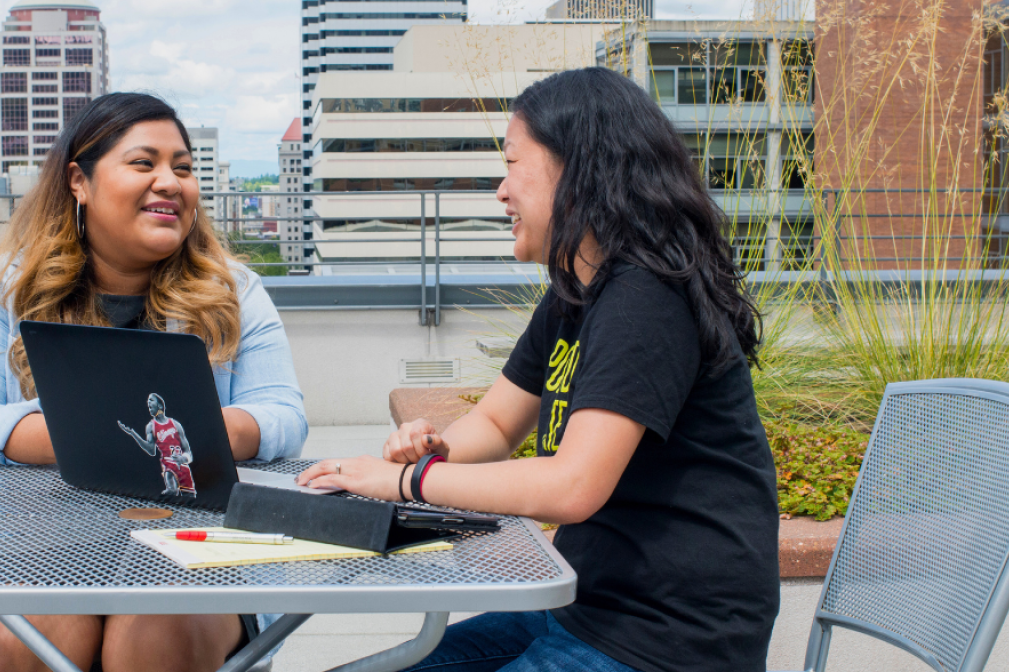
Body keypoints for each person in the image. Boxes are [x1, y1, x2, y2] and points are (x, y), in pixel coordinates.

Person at [296, 67, 781, 672]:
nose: (500, 190)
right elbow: (499, 424)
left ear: (579, 170)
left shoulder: (647, 297)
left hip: (668, 639)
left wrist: (401, 484)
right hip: (584, 607)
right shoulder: (577, 292)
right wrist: (431, 450)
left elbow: (572, 486)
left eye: (513, 163)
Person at [0, 92, 307, 672]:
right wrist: (81, 442)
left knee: (150, 632)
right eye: (144, 163)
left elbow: (284, 416)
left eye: (183, 168)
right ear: (79, 180)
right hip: (41, 541)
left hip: (198, 550)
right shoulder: (4, 287)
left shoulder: (237, 290)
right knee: (16, 642)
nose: (170, 182)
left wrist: (201, 433)